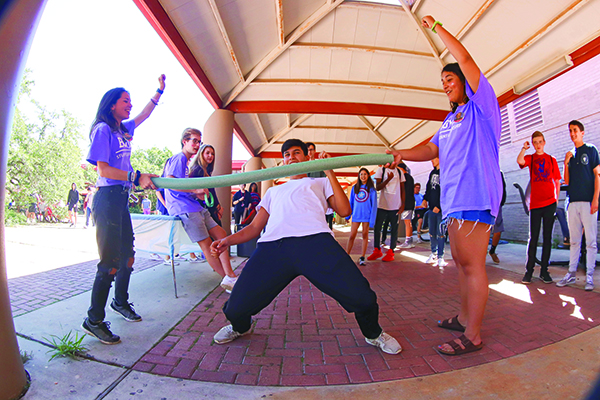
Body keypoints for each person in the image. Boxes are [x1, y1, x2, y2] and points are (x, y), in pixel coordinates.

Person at [209, 139, 402, 355]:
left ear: (307, 157)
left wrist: (329, 172)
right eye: (287, 154)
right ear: (283, 161)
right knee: (235, 307)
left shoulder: (319, 183)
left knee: (363, 297)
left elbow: (345, 210)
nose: (292, 157)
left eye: (297, 152)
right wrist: (227, 240)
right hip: (274, 247)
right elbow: (254, 228)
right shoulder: (273, 191)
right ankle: (240, 327)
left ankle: (373, 334)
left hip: (316, 242)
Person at [387, 15, 503, 356]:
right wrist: (399, 154)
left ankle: (474, 335)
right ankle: (465, 318)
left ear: (466, 82)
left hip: (477, 194)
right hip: (453, 200)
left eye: (449, 78)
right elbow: (429, 149)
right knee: (460, 262)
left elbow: (466, 60)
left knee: (473, 265)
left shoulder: (483, 109)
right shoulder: (450, 121)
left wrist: (437, 29)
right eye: (442, 81)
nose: (445, 84)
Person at [82, 74, 164, 345]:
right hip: (107, 199)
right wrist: (135, 176)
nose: (130, 105)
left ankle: (120, 302)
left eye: (130, 101)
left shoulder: (123, 128)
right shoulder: (103, 129)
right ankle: (94, 319)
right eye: (125, 101)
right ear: (111, 105)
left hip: (120, 200)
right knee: (109, 264)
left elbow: (144, 115)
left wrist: (158, 92)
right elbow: (103, 169)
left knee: (128, 255)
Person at [164, 128, 237, 291]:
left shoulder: (187, 163)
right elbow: (170, 183)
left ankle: (230, 275)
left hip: (196, 206)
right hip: (185, 209)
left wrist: (198, 194)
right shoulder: (179, 158)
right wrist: (195, 190)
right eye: (194, 141)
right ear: (185, 142)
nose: (197, 145)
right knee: (206, 245)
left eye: (199, 141)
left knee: (222, 235)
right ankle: (227, 279)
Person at [556, 120, 600, 291]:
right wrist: (566, 162)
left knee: (590, 242)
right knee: (574, 241)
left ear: (582, 132)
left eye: (575, 130)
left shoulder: (591, 150)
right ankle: (571, 273)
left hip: (588, 202)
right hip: (572, 203)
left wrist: (596, 199)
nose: (572, 133)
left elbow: (597, 176)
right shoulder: (571, 154)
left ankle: (589, 276)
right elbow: (566, 181)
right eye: (570, 131)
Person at [517, 131, 561, 284]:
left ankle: (544, 271)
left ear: (544, 142)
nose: (538, 145)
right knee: (533, 238)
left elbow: (557, 181)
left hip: (549, 203)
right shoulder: (531, 158)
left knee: (547, 238)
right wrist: (524, 148)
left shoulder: (551, 159)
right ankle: (529, 271)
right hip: (535, 204)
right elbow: (520, 160)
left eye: (540, 141)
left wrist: (556, 200)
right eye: (535, 142)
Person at [367, 164, 405, 262]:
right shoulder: (381, 170)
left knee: (394, 229)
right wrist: (388, 179)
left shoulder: (400, 172)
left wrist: (403, 204)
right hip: (383, 205)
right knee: (377, 227)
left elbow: (402, 189)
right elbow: (378, 187)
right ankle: (376, 250)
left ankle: (391, 251)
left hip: (395, 205)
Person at [346, 167, 377, 266]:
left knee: (365, 235)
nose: (363, 176)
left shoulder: (371, 189)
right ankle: (347, 255)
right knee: (352, 235)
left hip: (366, 216)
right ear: (359, 176)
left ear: (368, 176)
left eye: (365, 174)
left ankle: (362, 256)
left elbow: (374, 205)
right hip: (356, 215)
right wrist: (347, 216)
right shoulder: (355, 188)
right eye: (361, 174)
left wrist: (372, 221)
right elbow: (351, 202)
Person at [189, 144, 223, 226]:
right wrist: (217, 206)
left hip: (207, 207)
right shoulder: (198, 170)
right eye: (207, 153)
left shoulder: (206, 171)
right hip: (202, 208)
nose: (210, 156)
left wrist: (217, 205)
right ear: (201, 154)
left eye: (212, 154)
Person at [424, 158, 447, 267]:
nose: (432, 160)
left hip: (440, 209)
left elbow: (446, 190)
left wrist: (439, 205)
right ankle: (434, 253)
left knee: (440, 233)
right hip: (431, 208)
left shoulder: (445, 171)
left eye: (434, 158)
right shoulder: (432, 173)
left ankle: (441, 256)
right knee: (432, 232)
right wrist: (425, 199)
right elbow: (429, 188)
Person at [488, 171, 506, 264]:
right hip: (485, 204)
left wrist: (501, 202)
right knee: (484, 231)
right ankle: (480, 253)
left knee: (497, 232)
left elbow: (503, 187)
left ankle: (492, 251)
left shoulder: (499, 173)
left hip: (497, 205)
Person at [398, 163, 416, 249]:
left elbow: (404, 191)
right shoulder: (410, 177)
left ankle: (408, 241)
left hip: (407, 203)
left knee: (407, 221)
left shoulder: (404, 177)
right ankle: (409, 240)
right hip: (409, 202)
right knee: (408, 221)